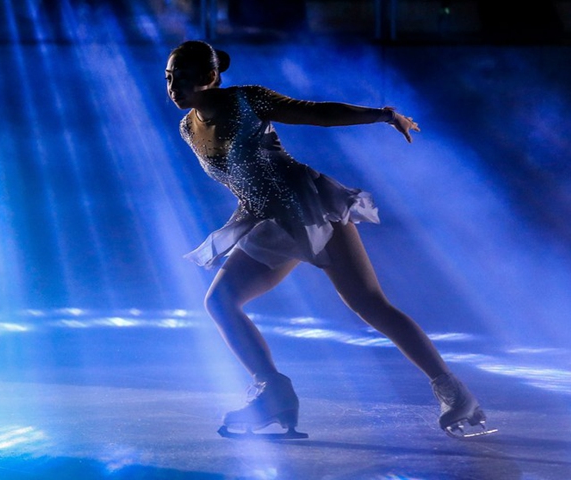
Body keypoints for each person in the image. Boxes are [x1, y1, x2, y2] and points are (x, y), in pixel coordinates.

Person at [165, 40, 491, 438]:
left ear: (209, 76)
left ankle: (454, 392)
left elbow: (317, 114)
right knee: (220, 302)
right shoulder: (187, 127)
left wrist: (384, 115)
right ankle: (274, 391)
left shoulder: (246, 99)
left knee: (369, 304)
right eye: (168, 76)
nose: (172, 85)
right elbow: (239, 175)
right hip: (267, 217)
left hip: (307, 205)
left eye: (181, 75)